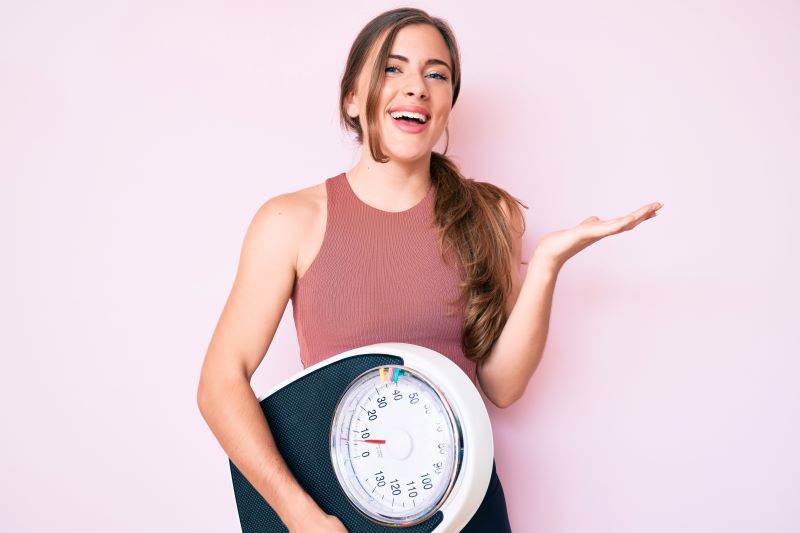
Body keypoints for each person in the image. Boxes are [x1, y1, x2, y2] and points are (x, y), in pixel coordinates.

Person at [196, 7, 661, 533]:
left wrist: (548, 263)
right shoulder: (290, 221)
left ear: (447, 105)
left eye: (436, 74)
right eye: (393, 69)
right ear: (352, 97)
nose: (416, 87)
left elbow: (502, 387)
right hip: (340, 513)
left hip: (464, 505)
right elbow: (219, 383)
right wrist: (299, 515)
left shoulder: (491, 216)